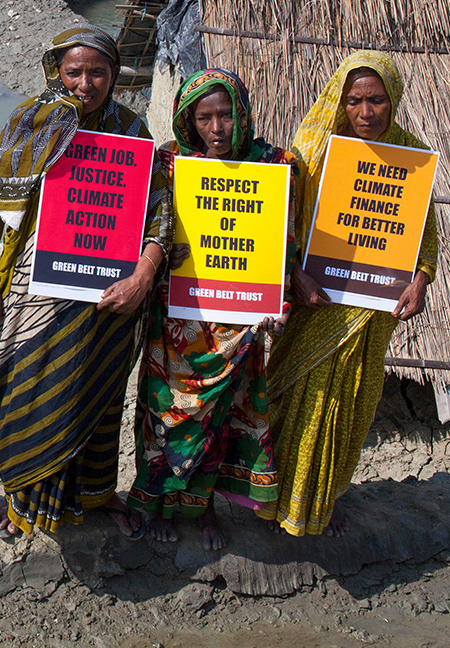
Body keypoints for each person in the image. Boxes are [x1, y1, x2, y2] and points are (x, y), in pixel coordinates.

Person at [0, 25, 170, 539]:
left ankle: (94, 494)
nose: (86, 83)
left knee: (98, 390)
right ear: (55, 71)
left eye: (98, 72)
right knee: (26, 386)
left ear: (115, 75)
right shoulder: (31, 121)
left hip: (108, 289)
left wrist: (143, 277)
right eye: (74, 71)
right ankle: (23, 496)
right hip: (38, 284)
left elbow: (160, 218)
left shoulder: (131, 129)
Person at [259, 50, 437, 537]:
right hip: (317, 301)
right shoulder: (315, 150)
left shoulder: (411, 158)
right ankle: (271, 494)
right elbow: (283, 224)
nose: (365, 112)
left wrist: (420, 279)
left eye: (376, 100)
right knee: (297, 391)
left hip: (371, 311)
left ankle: (325, 494)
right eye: (355, 100)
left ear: (392, 98)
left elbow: (425, 235)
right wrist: (295, 273)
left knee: (351, 399)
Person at [127, 69, 307, 549]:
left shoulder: (274, 165)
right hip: (178, 321)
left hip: (241, 321)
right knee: (167, 415)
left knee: (223, 418)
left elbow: (283, 244)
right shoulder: (169, 164)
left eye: (225, 115)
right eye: (204, 118)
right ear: (187, 121)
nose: (217, 129)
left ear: (242, 114)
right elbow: (146, 224)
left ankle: (204, 509)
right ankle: (161, 504)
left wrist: (280, 299)